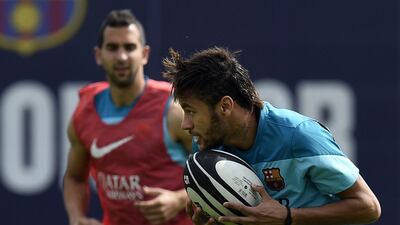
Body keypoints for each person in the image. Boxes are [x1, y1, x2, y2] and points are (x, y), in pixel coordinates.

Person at [162, 47, 381, 225]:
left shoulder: (299, 135)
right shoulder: (207, 146)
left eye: (191, 112)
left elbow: (368, 207)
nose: (185, 124)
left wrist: (288, 216)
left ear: (225, 106)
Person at [63, 9, 193, 225]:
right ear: (98, 55)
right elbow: (74, 178)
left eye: (129, 47)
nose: (121, 57)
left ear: (144, 54)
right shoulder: (85, 111)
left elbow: (216, 175)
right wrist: (77, 218)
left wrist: (179, 200)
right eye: (112, 48)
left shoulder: (174, 109)